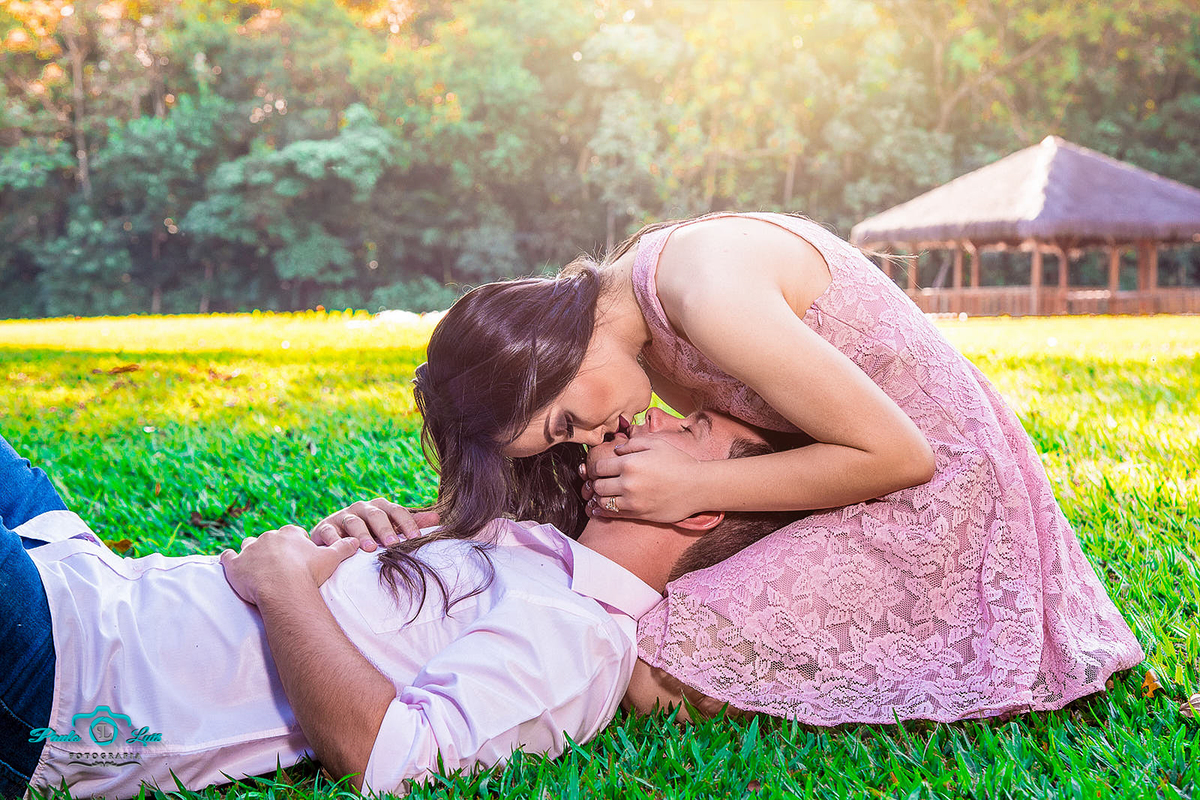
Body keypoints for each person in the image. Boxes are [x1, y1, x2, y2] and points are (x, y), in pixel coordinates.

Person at [410, 211, 1145, 723]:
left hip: (944, 498)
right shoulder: (638, 323)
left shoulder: (707, 292)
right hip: (834, 484)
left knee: (653, 670)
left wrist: (693, 486)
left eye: (567, 424)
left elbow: (902, 456)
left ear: (550, 351)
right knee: (617, 628)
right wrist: (429, 527)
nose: (592, 439)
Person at [1, 410, 801, 799]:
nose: (652, 415)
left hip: (76, 675)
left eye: (690, 428)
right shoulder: (534, 550)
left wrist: (285, 586)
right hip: (88, 579)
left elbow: (391, 760)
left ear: (701, 509)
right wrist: (349, 546)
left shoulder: (582, 636)